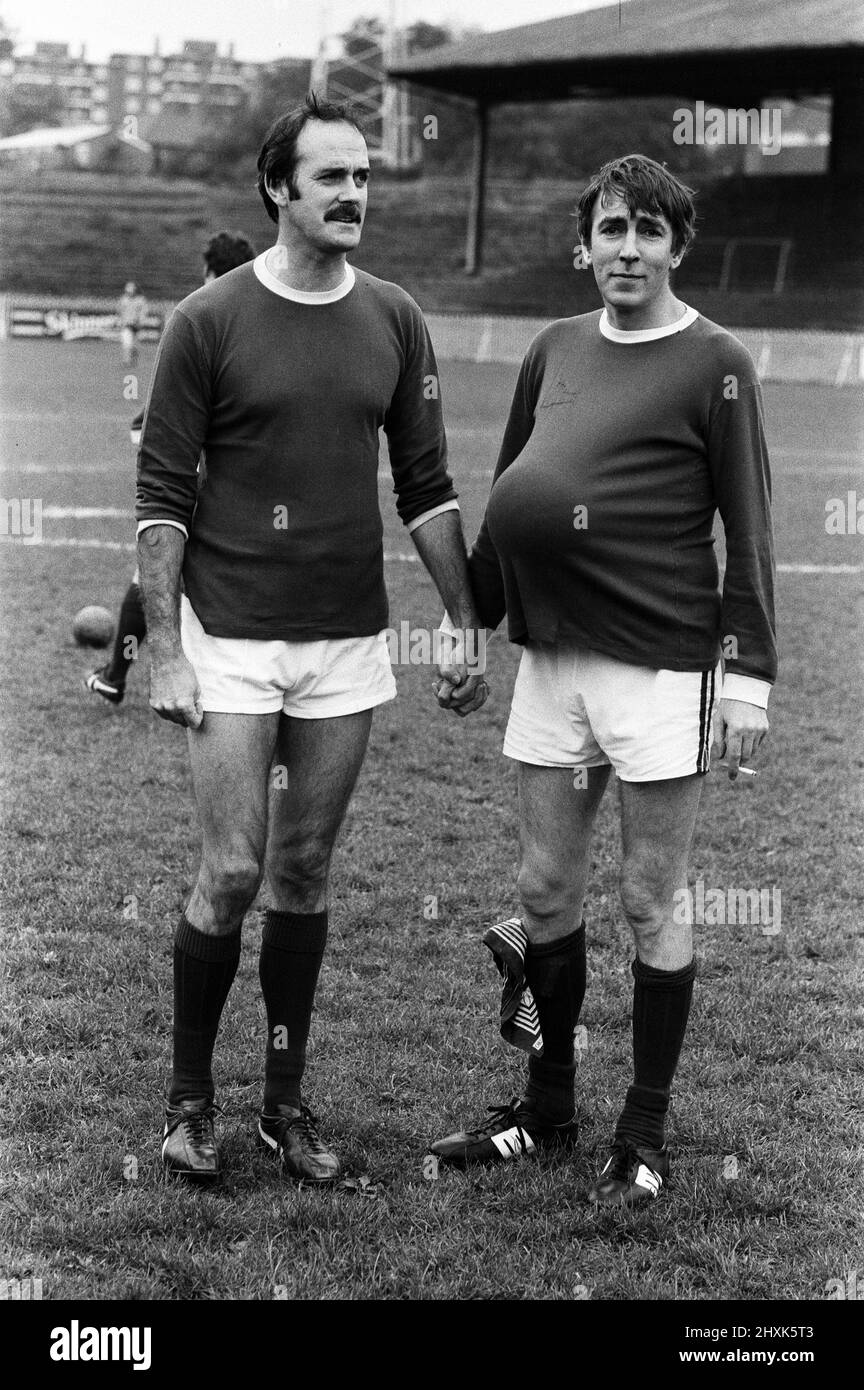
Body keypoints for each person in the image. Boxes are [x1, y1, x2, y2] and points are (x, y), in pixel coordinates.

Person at [135, 94, 486, 1185]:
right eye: (330, 176)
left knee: (303, 868)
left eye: (364, 176)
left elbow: (424, 487)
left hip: (345, 645)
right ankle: (191, 1101)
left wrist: (463, 616)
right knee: (233, 865)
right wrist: (164, 647)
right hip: (230, 634)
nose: (353, 194)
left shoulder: (394, 316)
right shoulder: (208, 319)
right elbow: (161, 496)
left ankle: (286, 1102)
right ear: (277, 188)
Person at [430, 154, 776, 1207]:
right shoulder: (553, 347)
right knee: (544, 889)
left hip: (661, 665)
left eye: (649, 233)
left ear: (678, 246)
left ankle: (646, 1128)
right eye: (613, 229)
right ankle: (547, 1106)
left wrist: (749, 675)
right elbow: (511, 491)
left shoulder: (716, 360)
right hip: (551, 656)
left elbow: (749, 527)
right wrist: (468, 620)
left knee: (649, 896)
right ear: (587, 241)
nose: (628, 250)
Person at [86, 233, 257, 705]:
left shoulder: (198, 319)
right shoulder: (265, 323)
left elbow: (153, 424)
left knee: (153, 575)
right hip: (251, 493)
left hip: (194, 485)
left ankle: (117, 677)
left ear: (208, 273)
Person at [118, 281, 148, 368]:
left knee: (135, 345)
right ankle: (126, 361)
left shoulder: (141, 300)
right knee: (126, 343)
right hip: (127, 325)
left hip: (137, 325)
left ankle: (134, 359)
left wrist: (140, 322)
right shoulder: (123, 300)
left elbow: (143, 312)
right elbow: (120, 312)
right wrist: (122, 322)